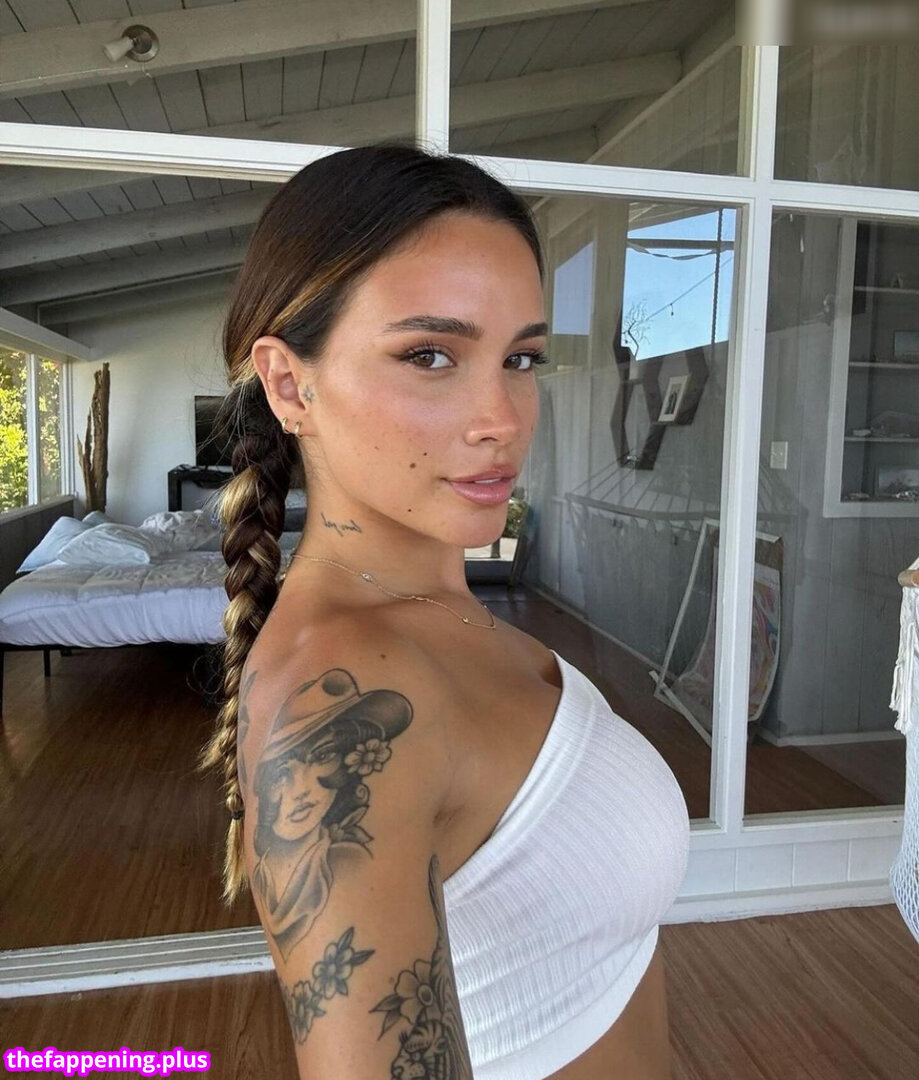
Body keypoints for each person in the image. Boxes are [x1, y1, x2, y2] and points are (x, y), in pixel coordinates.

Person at [201, 142, 691, 1079]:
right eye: (429, 355)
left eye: (521, 357)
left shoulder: (438, 615)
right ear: (290, 383)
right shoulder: (338, 688)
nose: (501, 417)